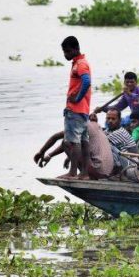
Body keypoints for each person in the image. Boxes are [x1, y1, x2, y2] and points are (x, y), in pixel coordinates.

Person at [34, 118, 115, 180]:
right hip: (106, 172)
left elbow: (56, 137)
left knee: (66, 142)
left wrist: (41, 152)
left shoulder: (82, 127)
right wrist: (50, 156)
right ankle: (84, 173)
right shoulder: (96, 126)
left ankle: (76, 173)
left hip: (97, 171)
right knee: (72, 142)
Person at [60, 36, 92, 179]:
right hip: (84, 110)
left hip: (76, 109)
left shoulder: (80, 64)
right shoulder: (80, 63)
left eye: (67, 51)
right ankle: (84, 173)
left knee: (74, 142)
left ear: (75, 49)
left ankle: (73, 172)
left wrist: (77, 98)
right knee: (84, 141)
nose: (65, 55)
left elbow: (86, 81)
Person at [103, 108, 138, 180]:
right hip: (125, 163)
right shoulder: (108, 131)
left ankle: (117, 173)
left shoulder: (120, 132)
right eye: (108, 118)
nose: (110, 121)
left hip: (131, 166)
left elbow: (100, 142)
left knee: (107, 146)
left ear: (119, 120)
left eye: (113, 119)